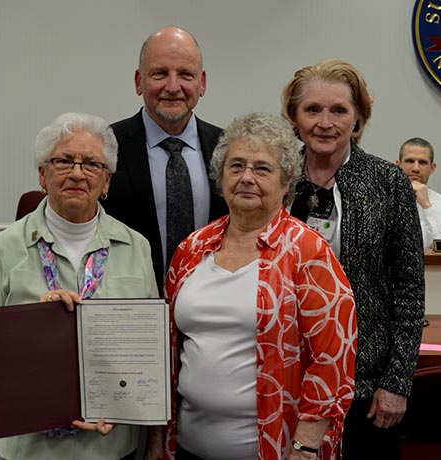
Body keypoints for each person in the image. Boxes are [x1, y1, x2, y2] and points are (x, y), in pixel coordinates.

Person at [0, 112, 159, 460]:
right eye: (64, 161)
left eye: (92, 164)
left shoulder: (136, 247)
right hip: (34, 448)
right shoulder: (7, 246)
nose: (78, 173)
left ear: (107, 180)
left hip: (112, 444)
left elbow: (152, 349)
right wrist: (32, 325)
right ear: (42, 173)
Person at [160, 112, 357, 460]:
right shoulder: (191, 249)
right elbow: (167, 344)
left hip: (274, 450)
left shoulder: (309, 252)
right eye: (236, 166)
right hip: (187, 446)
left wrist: (305, 447)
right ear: (221, 177)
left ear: (286, 184)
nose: (247, 178)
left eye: (263, 168)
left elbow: (332, 360)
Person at [282, 60, 425, 460]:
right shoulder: (276, 178)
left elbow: (410, 288)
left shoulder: (388, 182)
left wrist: (396, 382)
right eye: (312, 110)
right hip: (287, 380)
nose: (325, 122)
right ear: (294, 117)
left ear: (358, 118)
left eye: (339, 110)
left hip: (366, 387)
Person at [102, 26, 228, 294]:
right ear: (138, 81)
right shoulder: (105, 147)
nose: (173, 87)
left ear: (202, 82)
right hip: (132, 307)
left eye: (185, 74)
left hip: (213, 307)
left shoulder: (229, 149)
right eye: (160, 74)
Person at [396, 137, 441, 248]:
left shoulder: (439, 203)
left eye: (422, 162)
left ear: (432, 168)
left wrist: (427, 206)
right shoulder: (382, 200)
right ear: (398, 165)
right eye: (410, 161)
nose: (416, 168)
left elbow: (439, 248)